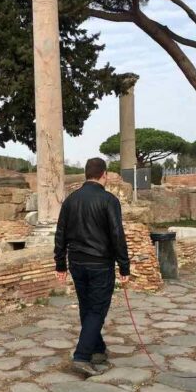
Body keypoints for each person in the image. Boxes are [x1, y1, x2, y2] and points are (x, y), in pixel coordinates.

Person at [54, 157, 130, 376]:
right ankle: (82, 356)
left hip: (77, 263)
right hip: (99, 264)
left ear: (86, 174)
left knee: (87, 307)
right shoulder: (109, 200)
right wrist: (124, 266)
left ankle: (97, 349)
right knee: (96, 309)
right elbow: (117, 234)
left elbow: (60, 234)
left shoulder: (70, 200)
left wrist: (60, 264)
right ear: (104, 174)